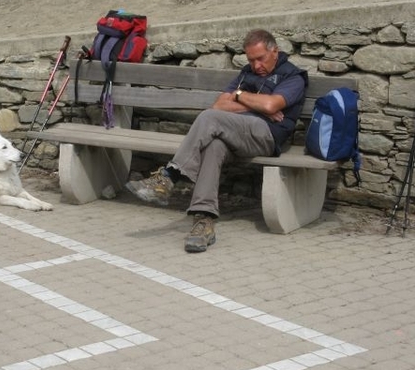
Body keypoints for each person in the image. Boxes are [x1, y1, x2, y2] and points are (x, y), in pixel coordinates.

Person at [125, 29, 308, 253]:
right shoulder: (246, 73)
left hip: (265, 136)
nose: (256, 65)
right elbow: (219, 104)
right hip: (233, 133)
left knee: (209, 119)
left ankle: (169, 176)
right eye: (251, 60)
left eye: (260, 59)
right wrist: (257, 103)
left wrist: (241, 97)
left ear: (275, 52)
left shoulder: (293, 76)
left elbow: (271, 107)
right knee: (214, 145)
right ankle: (204, 220)